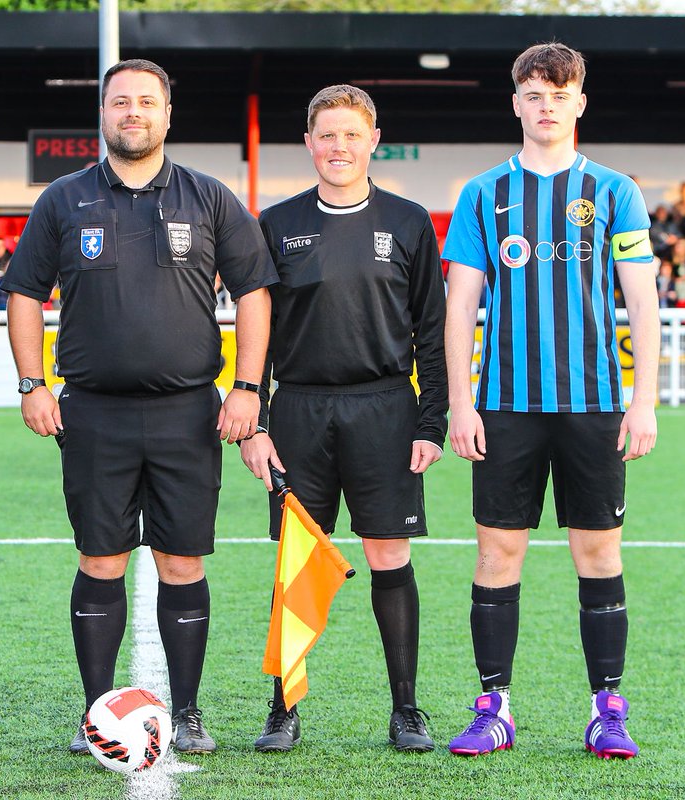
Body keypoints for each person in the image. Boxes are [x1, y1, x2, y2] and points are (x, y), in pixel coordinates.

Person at [3, 58, 277, 755]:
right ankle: (95, 712)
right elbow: (25, 295)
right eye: (120, 101)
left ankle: (185, 712)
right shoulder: (63, 200)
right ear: (103, 114)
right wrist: (33, 384)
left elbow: (254, 293)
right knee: (101, 560)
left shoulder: (209, 197)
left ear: (166, 114)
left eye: (146, 102)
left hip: (190, 412)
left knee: (183, 562)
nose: (133, 113)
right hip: (93, 412)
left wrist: (247, 389)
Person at [443, 42, 659, 760]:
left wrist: (644, 401)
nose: (546, 106)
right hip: (504, 404)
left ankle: (607, 709)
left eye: (559, 95)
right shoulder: (483, 194)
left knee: (597, 554)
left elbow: (642, 303)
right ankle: (493, 705)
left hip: (594, 403)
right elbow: (461, 307)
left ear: (579, 104)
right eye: (534, 94)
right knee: (497, 554)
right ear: (516, 104)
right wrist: (461, 403)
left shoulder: (616, 191)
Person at [240, 84, 447, 754]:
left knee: (389, 554)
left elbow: (433, 332)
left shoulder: (410, 221)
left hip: (386, 409)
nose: (339, 147)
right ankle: (284, 708)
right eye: (326, 135)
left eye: (351, 135)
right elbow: (259, 336)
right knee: (297, 561)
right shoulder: (275, 224)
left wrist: (430, 421)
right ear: (308, 143)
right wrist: (258, 422)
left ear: (373, 141)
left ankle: (407, 708)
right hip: (300, 411)